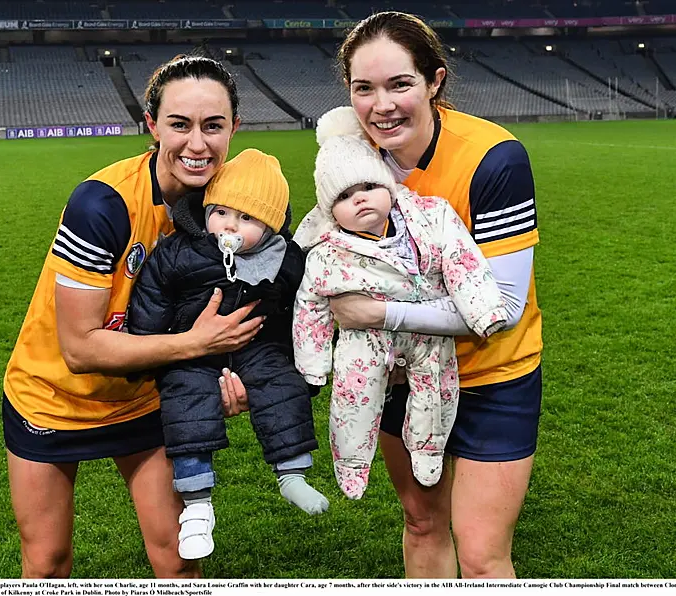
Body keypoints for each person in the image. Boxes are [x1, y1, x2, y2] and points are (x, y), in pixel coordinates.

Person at [2, 55, 259, 578]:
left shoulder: (236, 208)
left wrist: (235, 379)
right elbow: (80, 348)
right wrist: (197, 346)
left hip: (144, 397)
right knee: (47, 562)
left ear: (234, 126)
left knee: (179, 560)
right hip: (53, 396)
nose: (197, 143)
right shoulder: (103, 204)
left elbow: (248, 311)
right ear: (152, 125)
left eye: (213, 126)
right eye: (179, 124)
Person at [332, 11, 543, 578]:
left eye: (400, 84)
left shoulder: (494, 158)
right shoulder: (349, 163)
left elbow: (502, 307)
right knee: (423, 524)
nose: (382, 105)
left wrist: (380, 315)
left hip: (492, 376)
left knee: (480, 557)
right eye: (364, 88)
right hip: (405, 376)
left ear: (435, 81)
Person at [292, 107, 507, 498]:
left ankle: (428, 450)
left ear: (387, 187)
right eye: (344, 196)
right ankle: (352, 464)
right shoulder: (327, 253)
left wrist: (483, 309)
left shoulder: (431, 218)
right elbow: (310, 308)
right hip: (367, 341)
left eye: (368, 188)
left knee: (436, 391)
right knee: (353, 397)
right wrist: (313, 362)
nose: (359, 200)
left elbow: (463, 261)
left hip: (426, 335)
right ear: (328, 211)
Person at [128, 148, 329, 560]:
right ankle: (197, 501)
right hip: (191, 349)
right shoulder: (180, 251)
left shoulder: (286, 258)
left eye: (247, 218)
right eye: (221, 211)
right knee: (186, 398)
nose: (230, 225)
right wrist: (146, 351)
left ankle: (292, 473)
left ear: (271, 227)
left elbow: (306, 305)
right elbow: (152, 296)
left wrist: (307, 361)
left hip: (258, 346)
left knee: (281, 382)